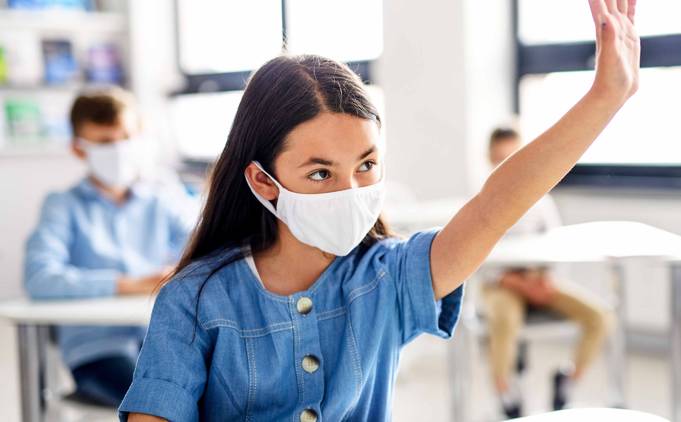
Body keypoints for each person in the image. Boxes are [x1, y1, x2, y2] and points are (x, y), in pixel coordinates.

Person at [121, 1, 640, 420]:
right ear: (263, 181)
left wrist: (604, 98)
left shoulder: (389, 277)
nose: (351, 191)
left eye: (366, 165)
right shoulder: (194, 298)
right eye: (321, 173)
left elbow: (493, 207)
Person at [24, 87, 197, 407]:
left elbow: (204, 249)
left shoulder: (162, 197)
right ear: (79, 149)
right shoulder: (63, 206)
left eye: (125, 137)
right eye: (105, 143)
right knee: (164, 404)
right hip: (98, 352)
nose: (118, 149)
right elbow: (39, 278)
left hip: (164, 343)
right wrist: (129, 285)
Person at [482, 127, 613, 418]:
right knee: (506, 319)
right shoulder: (480, 201)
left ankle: (568, 382)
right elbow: (477, 261)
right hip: (501, 284)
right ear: (490, 158)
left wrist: (544, 282)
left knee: (599, 318)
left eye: (514, 156)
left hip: (539, 280)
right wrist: (515, 282)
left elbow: (555, 244)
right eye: (501, 157)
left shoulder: (541, 199)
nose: (509, 164)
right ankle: (506, 392)